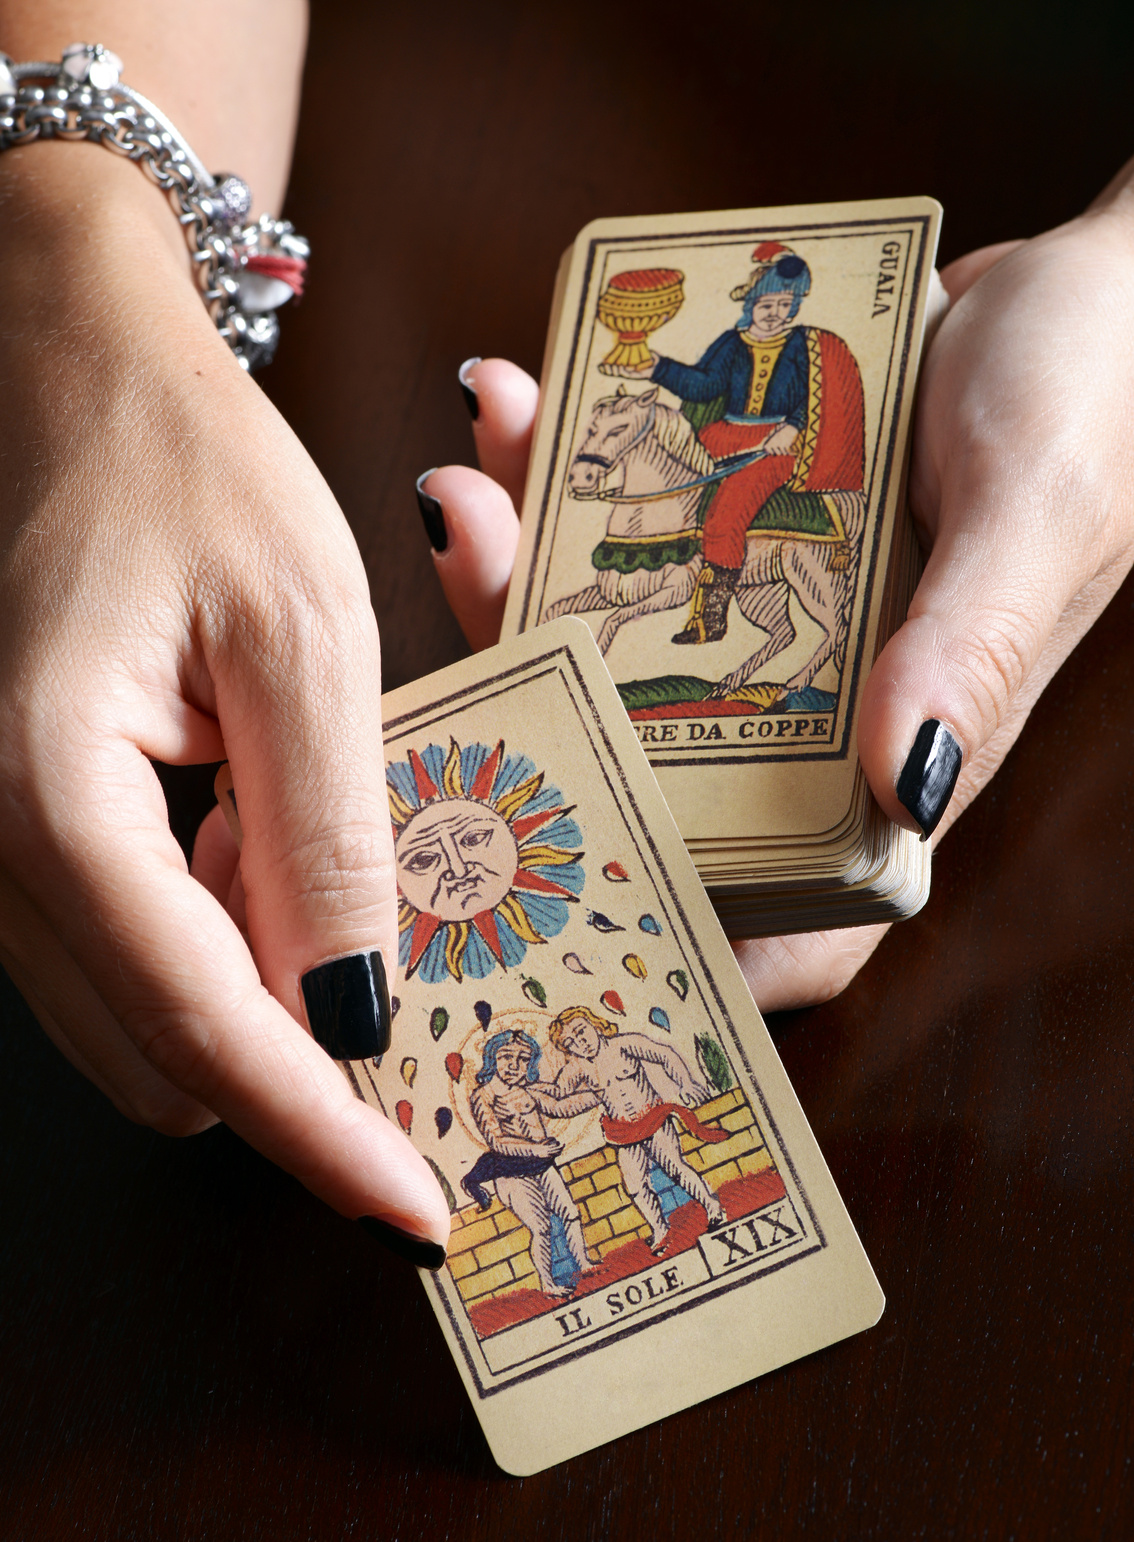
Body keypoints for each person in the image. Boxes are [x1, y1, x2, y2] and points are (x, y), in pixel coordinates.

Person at [2, 2, 1132, 1275]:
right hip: (422, 170)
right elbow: (691, 388)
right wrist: (85, 253)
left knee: (730, 508)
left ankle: (718, 603)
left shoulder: (814, 352)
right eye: (754, 305)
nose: (760, 315)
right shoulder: (730, 345)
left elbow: (807, 425)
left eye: (770, 303)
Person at [601, 243, 865, 644]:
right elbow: (703, 385)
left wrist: (793, 427)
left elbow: (815, 396)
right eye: (767, 303)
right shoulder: (731, 342)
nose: (775, 311)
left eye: (785, 302)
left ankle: (711, 617)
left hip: (777, 445)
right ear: (751, 302)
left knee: (728, 512)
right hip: (723, 437)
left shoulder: (803, 346)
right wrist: (657, 367)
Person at [541, 1006, 725, 1252]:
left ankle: (713, 1208)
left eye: (581, 1031)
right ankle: (660, 1229)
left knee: (676, 1167)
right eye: (570, 1042)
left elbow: (665, 1054)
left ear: (594, 1023)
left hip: (653, 1118)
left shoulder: (623, 1045)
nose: (580, 1042)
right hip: (623, 1134)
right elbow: (557, 1099)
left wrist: (686, 1083)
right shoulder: (576, 1069)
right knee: (635, 1186)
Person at [466, 1029, 597, 1297]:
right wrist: (535, 1149)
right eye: (506, 1057)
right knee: (541, 1227)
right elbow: (496, 1140)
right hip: (511, 1174)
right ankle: (548, 1284)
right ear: (492, 1059)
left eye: (524, 1059)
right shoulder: (484, 1096)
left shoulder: (529, 1092)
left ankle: (583, 1263)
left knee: (570, 1213)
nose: (515, 1065)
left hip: (543, 1167)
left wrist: (599, 1094)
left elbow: (561, 1107)